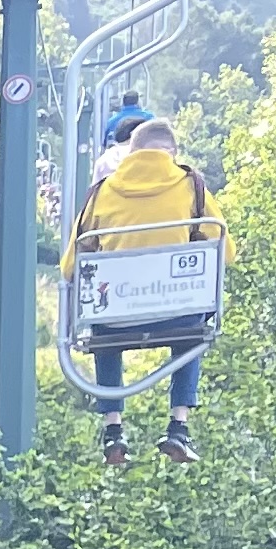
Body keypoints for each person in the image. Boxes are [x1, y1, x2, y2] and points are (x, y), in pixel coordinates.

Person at [70, 108, 220, 465]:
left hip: (118, 321)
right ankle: (178, 425)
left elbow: (71, 262)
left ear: (132, 155)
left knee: (103, 320)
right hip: (178, 317)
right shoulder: (191, 186)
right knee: (193, 329)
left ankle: (113, 428)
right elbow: (223, 247)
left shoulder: (102, 193)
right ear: (172, 153)